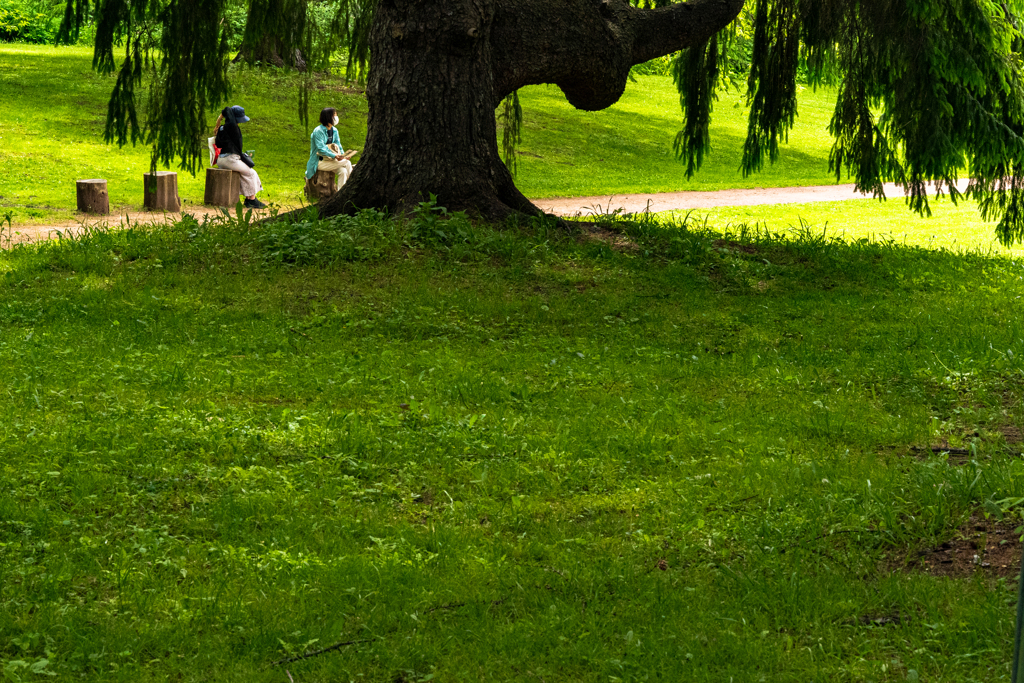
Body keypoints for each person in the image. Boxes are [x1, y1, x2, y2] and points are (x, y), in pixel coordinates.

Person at [214, 105, 267, 209]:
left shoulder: (221, 128)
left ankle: (249, 199)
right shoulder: (232, 127)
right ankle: (251, 200)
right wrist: (222, 116)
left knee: (245, 173)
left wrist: (219, 121)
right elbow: (228, 110)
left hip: (221, 160)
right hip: (230, 160)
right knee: (251, 173)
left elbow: (219, 144)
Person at [305, 107, 356, 192]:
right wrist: (335, 156)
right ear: (329, 117)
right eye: (334, 115)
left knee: (343, 171)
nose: (336, 117)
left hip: (331, 161)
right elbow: (321, 149)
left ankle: (340, 194)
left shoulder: (334, 130)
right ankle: (353, 187)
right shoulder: (318, 131)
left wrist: (344, 155)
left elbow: (338, 144)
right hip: (319, 162)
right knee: (347, 163)